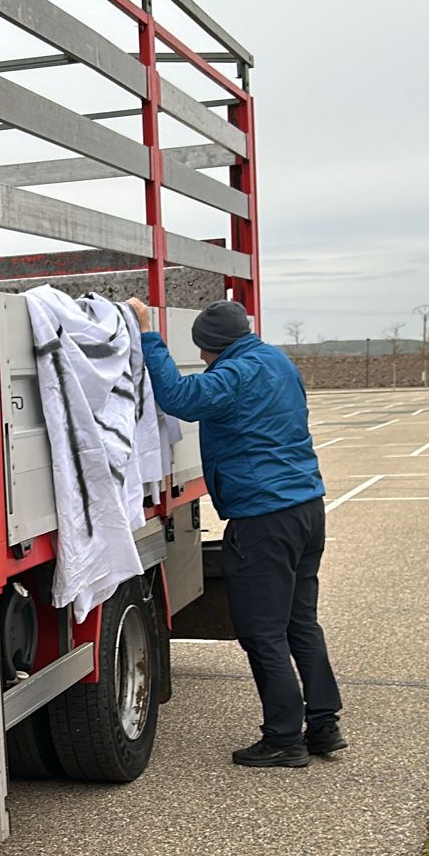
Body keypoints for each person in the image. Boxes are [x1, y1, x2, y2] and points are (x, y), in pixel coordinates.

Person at [128, 297, 343, 768]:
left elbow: (181, 398)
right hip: (307, 508)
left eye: (204, 350)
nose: (203, 358)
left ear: (213, 346)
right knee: (300, 622)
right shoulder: (277, 362)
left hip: (263, 518)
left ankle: (284, 738)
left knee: (262, 632)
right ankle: (324, 726)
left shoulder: (235, 374)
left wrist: (148, 335)